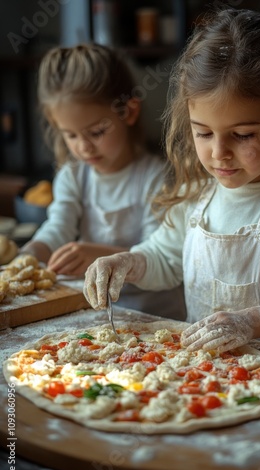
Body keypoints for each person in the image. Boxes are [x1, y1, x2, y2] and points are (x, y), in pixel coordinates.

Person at [83, 8, 260, 355]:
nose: (219, 153)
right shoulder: (195, 195)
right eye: (203, 133)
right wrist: (128, 262)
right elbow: (165, 257)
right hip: (205, 380)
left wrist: (252, 321)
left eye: (243, 135)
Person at [20, 43, 186, 320]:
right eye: (70, 136)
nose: (83, 147)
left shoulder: (155, 178)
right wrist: (29, 254)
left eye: (96, 132)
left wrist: (97, 254)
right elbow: (57, 228)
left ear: (128, 112)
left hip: (156, 316)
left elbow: (158, 254)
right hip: (100, 313)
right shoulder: (73, 176)